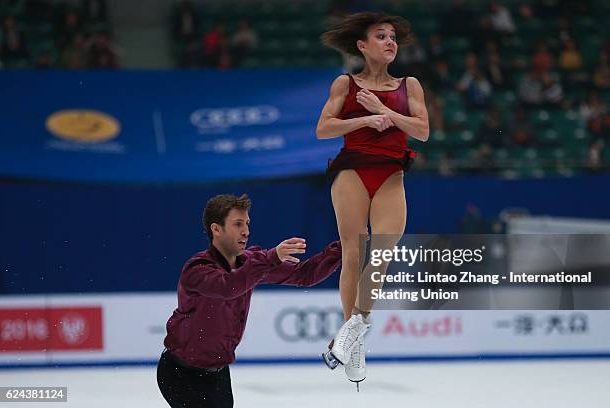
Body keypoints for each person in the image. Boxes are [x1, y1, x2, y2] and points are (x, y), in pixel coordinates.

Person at [316, 12, 429, 388]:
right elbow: (323, 129)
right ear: (362, 46)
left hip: (390, 172)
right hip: (353, 171)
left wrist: (383, 110)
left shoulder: (409, 84)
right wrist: (363, 121)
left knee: (382, 251)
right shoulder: (345, 84)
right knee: (353, 253)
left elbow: (423, 131)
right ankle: (357, 341)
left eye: (393, 36)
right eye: (381, 36)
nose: (390, 42)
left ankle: (355, 327)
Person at [157, 194, 342, 407]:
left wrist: (343, 248)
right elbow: (228, 286)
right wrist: (271, 258)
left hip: (218, 374)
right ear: (216, 229)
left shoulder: (251, 264)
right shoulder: (197, 269)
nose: (246, 231)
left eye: (247, 223)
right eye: (237, 224)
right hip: (180, 374)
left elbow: (305, 275)